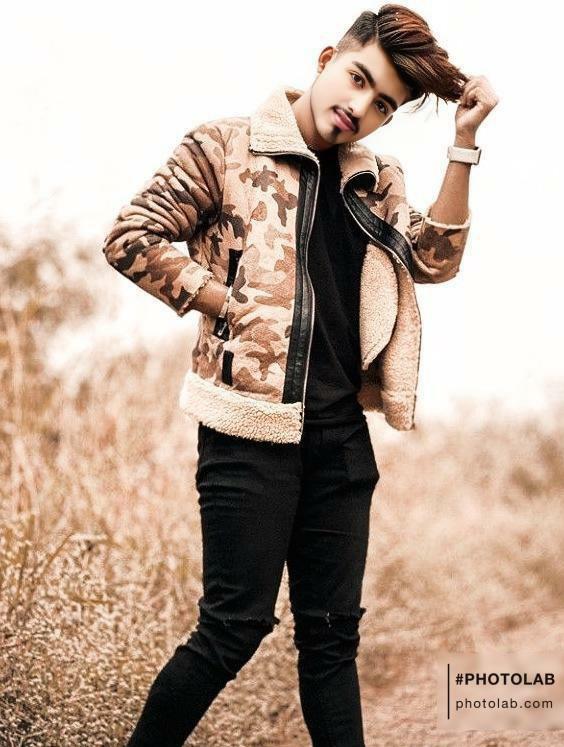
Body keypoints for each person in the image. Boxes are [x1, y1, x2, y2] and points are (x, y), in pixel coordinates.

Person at [102, 5, 498, 745]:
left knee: (332, 643)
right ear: (326, 60)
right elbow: (131, 236)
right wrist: (225, 302)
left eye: (384, 105)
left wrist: (465, 143)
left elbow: (435, 259)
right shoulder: (225, 146)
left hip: (340, 442)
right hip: (248, 433)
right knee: (232, 629)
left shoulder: (375, 179)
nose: (361, 107)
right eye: (359, 79)